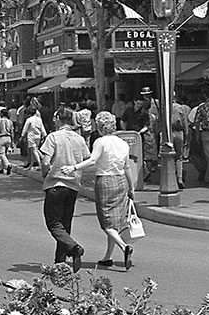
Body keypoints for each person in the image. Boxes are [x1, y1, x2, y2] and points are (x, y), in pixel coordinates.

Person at [63, 111, 136, 269]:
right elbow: (127, 166)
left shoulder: (100, 142)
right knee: (115, 221)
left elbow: (93, 160)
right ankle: (107, 257)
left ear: (100, 126)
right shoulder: (122, 143)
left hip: (105, 180)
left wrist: (73, 167)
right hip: (121, 180)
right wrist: (132, 187)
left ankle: (124, 247)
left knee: (106, 222)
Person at [37, 107, 89, 270]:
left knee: (53, 223)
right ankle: (60, 262)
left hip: (55, 184)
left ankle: (74, 248)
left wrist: (45, 173)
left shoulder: (53, 137)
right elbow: (86, 158)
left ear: (59, 118)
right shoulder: (79, 139)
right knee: (65, 224)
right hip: (72, 185)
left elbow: (45, 161)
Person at [0, 108, 15, 175]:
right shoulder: (10, 121)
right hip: (8, 138)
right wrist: (12, 142)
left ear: (2, 113)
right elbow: (12, 132)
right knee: (5, 154)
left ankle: (8, 165)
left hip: (2, 137)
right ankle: (1, 168)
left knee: (1, 154)